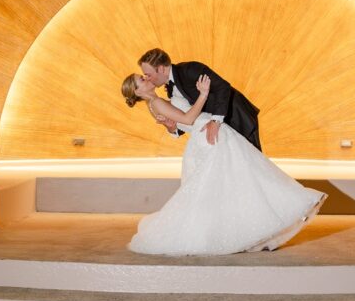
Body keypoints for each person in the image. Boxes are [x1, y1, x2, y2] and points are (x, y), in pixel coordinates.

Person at [120, 71, 326, 256]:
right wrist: (203, 93)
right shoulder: (156, 102)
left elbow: (178, 124)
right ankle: (292, 204)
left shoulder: (156, 103)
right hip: (210, 139)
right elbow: (189, 119)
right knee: (248, 179)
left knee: (236, 184)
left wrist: (171, 127)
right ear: (137, 91)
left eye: (145, 75)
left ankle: (259, 227)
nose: (146, 78)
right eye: (142, 79)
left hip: (207, 137)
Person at [138, 48, 261, 150]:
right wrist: (172, 128)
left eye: (148, 75)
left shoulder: (190, 69)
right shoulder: (170, 87)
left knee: (252, 165)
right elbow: (191, 114)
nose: (148, 79)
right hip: (217, 133)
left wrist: (215, 121)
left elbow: (223, 87)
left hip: (237, 118)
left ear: (161, 69)